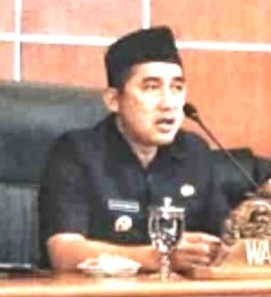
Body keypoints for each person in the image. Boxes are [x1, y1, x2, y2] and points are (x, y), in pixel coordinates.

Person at [37, 26, 229, 272]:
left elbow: (226, 240)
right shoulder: (77, 152)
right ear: (114, 100)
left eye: (177, 88)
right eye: (151, 87)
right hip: (98, 294)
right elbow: (64, 253)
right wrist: (160, 257)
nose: (169, 103)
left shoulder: (195, 152)